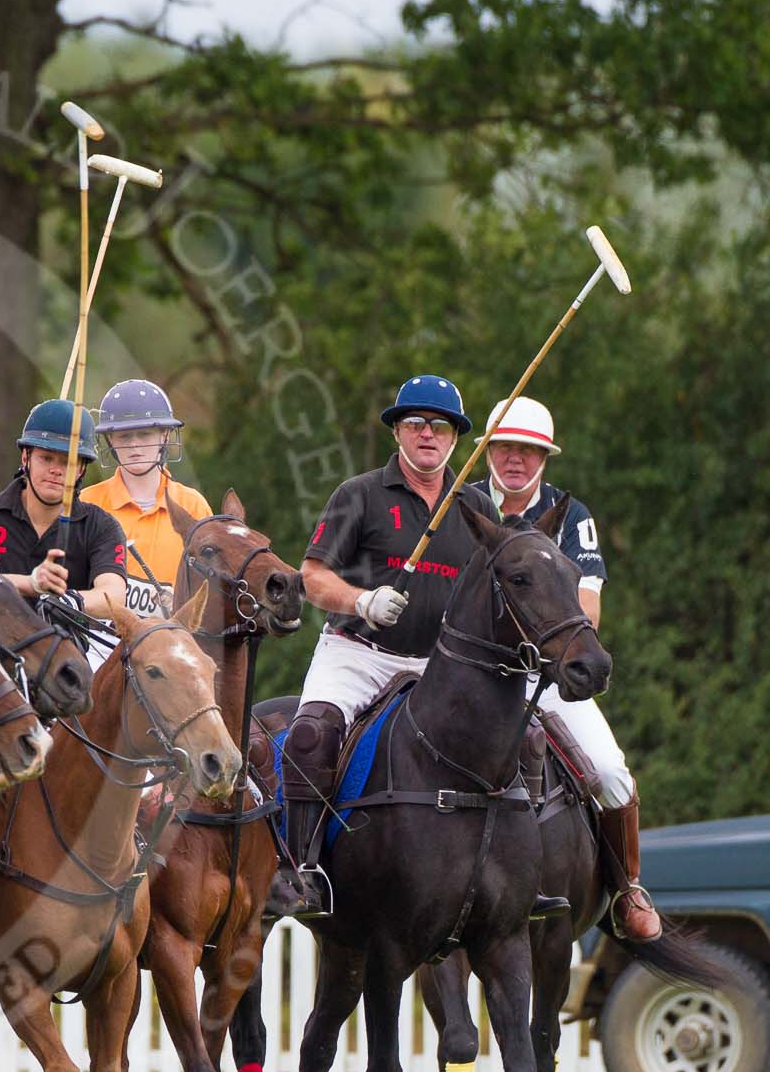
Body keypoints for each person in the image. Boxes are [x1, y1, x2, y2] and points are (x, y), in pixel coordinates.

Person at [278, 376, 561, 920]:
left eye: (440, 425)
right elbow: (312, 577)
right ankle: (302, 869)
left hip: (444, 666)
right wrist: (361, 602)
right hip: (359, 653)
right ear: (398, 433)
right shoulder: (359, 494)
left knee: (526, 740)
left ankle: (529, 875)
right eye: (415, 424)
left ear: (457, 437)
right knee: (312, 734)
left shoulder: (476, 504)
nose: (427, 434)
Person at [472, 396, 655, 940]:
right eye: (505, 447)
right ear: (487, 451)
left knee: (608, 772)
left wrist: (546, 649)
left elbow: (588, 605)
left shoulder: (571, 517)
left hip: (541, 673)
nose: (516, 460)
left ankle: (627, 889)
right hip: (468, 674)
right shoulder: (459, 506)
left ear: (545, 458)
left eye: (529, 450)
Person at [0, 399, 127, 668]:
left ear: (82, 469)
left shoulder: (101, 526)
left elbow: (113, 595)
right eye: (46, 458)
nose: (56, 470)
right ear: (26, 457)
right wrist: (30, 583)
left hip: (66, 665)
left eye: (68, 461)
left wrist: (69, 600)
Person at [79, 379, 214, 612]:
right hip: (99, 641)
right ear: (110, 440)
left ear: (164, 435)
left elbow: (213, 587)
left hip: (172, 640)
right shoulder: (86, 502)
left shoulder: (193, 505)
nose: (134, 445)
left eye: (144, 434)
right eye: (123, 436)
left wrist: (183, 601)